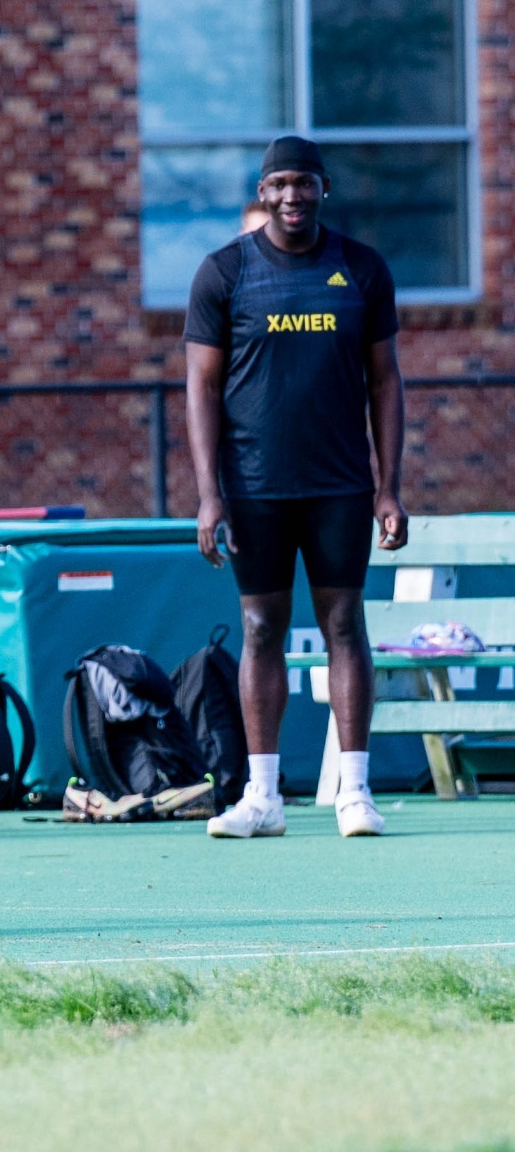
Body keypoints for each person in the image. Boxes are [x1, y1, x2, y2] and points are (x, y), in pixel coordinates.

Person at [185, 136, 408, 840]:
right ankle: (262, 797)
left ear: (324, 189)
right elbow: (201, 386)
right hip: (254, 488)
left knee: (345, 625)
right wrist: (208, 494)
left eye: (304, 184)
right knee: (261, 630)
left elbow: (385, 382)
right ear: (261, 191)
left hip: (340, 483)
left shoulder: (360, 268)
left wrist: (389, 488)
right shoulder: (223, 272)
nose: (291, 196)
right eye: (278, 184)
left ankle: (355, 795)